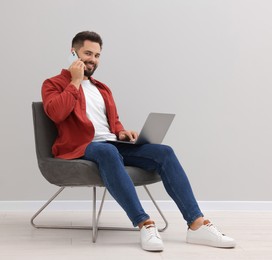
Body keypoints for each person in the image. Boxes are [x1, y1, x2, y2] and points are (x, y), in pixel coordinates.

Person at [41, 31, 236, 252]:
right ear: (73, 53)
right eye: (87, 53)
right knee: (107, 152)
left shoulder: (102, 89)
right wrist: (75, 81)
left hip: (111, 144)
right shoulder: (53, 84)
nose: (93, 59)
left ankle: (196, 224)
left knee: (164, 152)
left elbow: (113, 123)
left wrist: (122, 132)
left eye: (97, 55)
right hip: (81, 147)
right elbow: (56, 113)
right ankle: (144, 223)